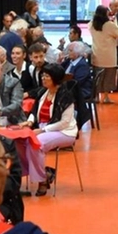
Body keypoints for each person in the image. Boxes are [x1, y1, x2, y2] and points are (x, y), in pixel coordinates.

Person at [19, 62, 81, 196]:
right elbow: (34, 111)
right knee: (20, 141)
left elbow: (64, 122)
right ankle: (45, 174)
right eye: (43, 75)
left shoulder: (66, 96)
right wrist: (29, 122)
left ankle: (42, 181)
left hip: (64, 131)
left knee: (37, 143)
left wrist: (43, 130)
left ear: (56, 79)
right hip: (43, 127)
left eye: (47, 76)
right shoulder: (42, 92)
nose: (43, 78)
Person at [88, 7, 118, 104]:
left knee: (97, 76)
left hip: (97, 53)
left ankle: (96, 96)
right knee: (109, 76)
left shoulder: (91, 24)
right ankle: (106, 96)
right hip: (109, 54)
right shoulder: (109, 25)